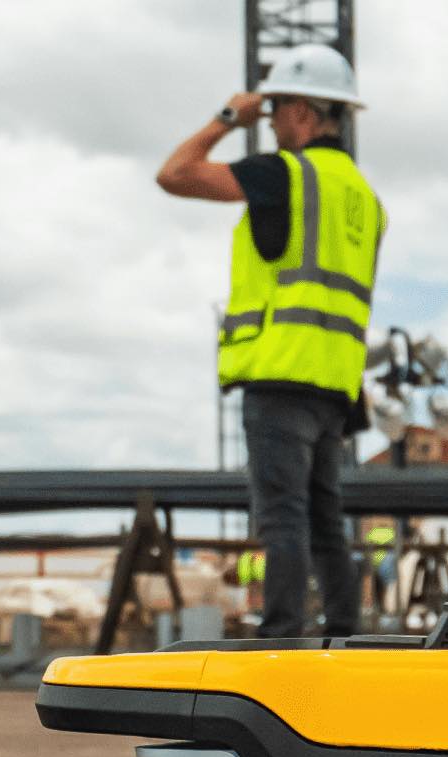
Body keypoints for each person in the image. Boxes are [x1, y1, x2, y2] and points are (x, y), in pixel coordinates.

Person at [154, 44, 381, 639]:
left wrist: (228, 119)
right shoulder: (365, 198)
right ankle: (346, 635)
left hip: (280, 374)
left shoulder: (287, 174)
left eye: (277, 108)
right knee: (327, 522)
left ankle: (280, 638)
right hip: (335, 386)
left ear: (304, 112)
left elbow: (173, 174)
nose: (272, 121)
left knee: (284, 519)